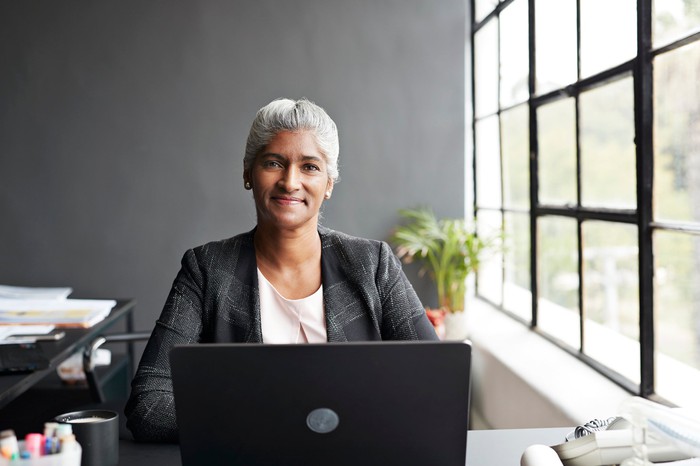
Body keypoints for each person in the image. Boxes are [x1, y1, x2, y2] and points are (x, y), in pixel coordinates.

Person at [124, 98, 438, 443]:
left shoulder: (372, 263)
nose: (290, 182)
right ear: (248, 173)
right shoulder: (206, 268)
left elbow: (434, 383)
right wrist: (270, 425)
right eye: (273, 163)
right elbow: (149, 405)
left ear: (329, 183)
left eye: (310, 167)